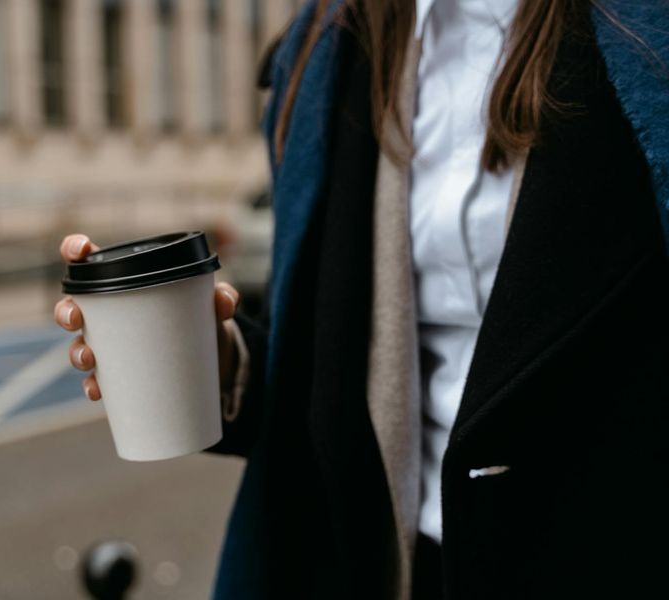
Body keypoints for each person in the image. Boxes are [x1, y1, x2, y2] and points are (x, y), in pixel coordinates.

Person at [55, 1, 669, 598]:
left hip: (600, 558)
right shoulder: (328, 45)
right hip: (384, 561)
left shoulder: (642, 33)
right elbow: (324, 371)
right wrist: (218, 362)